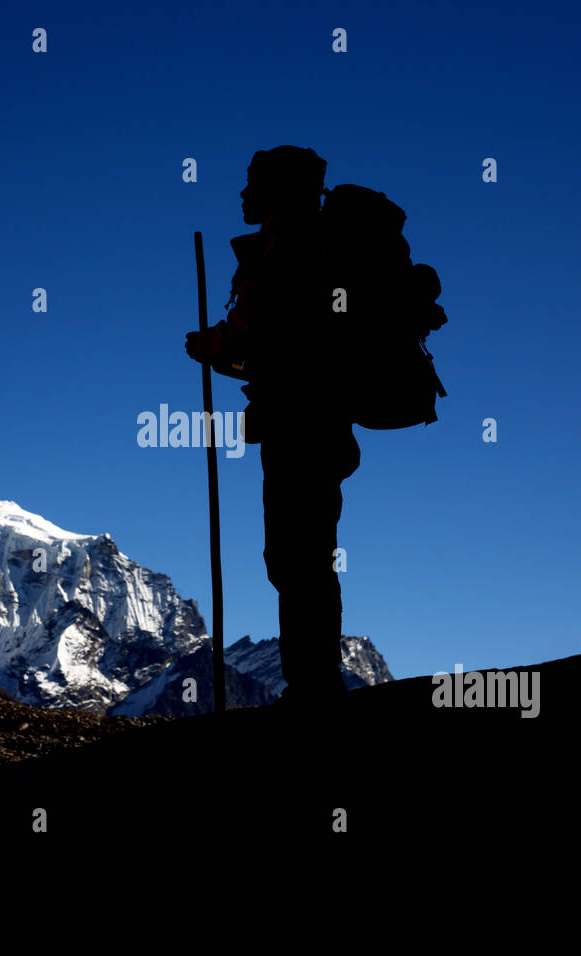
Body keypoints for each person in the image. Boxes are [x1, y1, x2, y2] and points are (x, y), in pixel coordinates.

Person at [185, 146, 360, 705]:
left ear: (278, 191)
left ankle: (314, 686)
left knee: (297, 553)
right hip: (312, 420)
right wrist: (224, 350)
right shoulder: (297, 247)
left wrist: (222, 347)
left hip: (300, 420)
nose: (242, 194)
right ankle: (313, 681)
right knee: (302, 552)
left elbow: (291, 344)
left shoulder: (295, 250)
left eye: (252, 183)